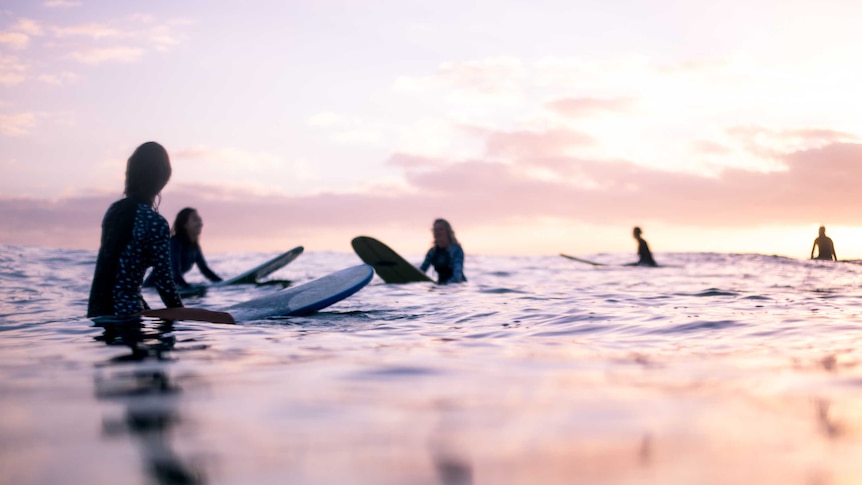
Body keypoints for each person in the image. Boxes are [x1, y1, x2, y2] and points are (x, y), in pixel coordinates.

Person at [87, 142, 183, 318]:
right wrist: (186, 320)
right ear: (164, 177)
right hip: (126, 317)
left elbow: (115, 274)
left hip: (96, 313)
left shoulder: (113, 211)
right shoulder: (154, 222)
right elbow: (164, 284)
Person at [144, 208, 223, 289]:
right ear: (184, 224)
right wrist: (187, 287)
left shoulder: (194, 245)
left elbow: (205, 270)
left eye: (200, 220)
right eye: (195, 220)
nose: (200, 223)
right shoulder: (175, 243)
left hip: (166, 289)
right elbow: (174, 273)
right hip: (152, 290)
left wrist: (223, 283)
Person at [420, 218, 467, 284]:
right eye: (435, 230)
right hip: (440, 286)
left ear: (448, 232)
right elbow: (421, 271)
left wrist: (444, 286)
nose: (437, 232)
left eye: (441, 229)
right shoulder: (432, 252)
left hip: (457, 287)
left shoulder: (456, 250)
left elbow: (457, 276)